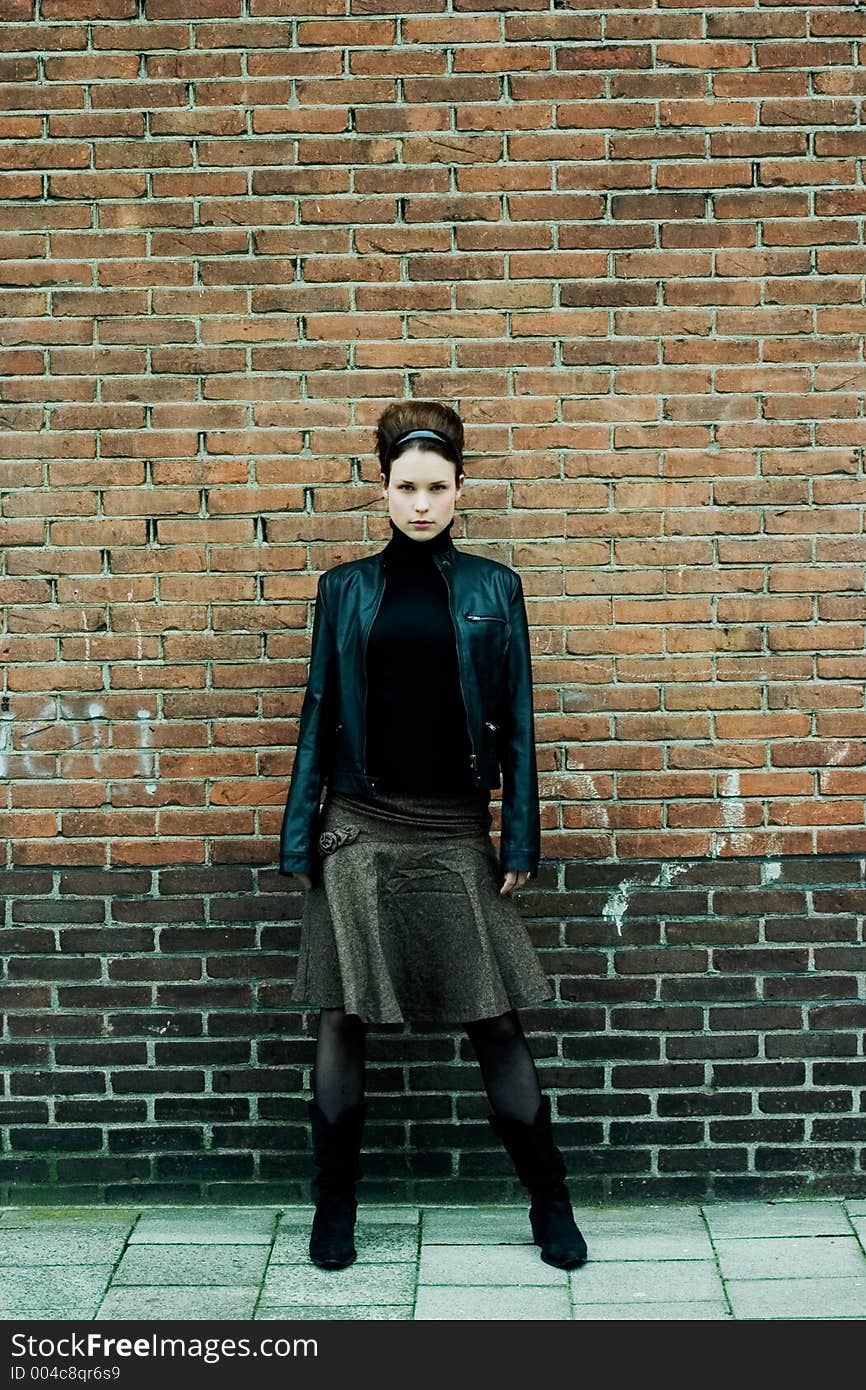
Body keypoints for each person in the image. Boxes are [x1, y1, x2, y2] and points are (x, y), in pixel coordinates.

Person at [279, 400, 587, 1274]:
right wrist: (300, 837)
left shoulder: (496, 588)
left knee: (495, 1019)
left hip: (453, 827)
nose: (421, 504)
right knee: (343, 1019)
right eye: (405, 487)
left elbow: (518, 719)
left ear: (462, 488)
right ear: (381, 486)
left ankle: (551, 1205)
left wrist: (517, 836)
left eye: (437, 488)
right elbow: (318, 716)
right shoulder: (344, 589)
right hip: (358, 825)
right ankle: (332, 1210)